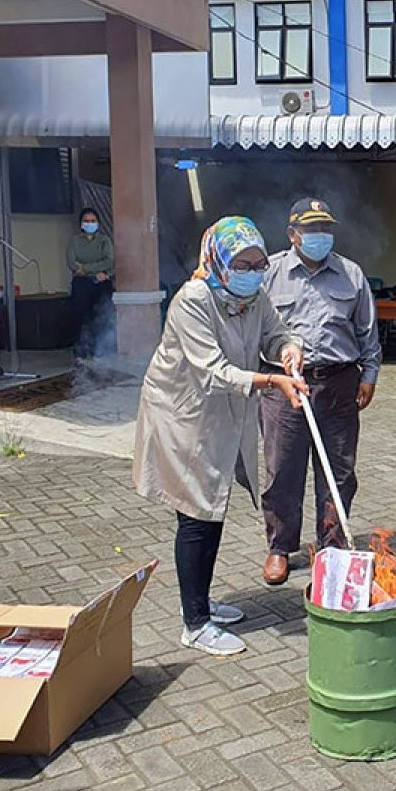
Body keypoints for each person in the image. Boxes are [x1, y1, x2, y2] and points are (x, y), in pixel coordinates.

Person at [133, 216, 307, 656]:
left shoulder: (253, 297)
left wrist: (289, 350)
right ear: (218, 260)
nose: (252, 272)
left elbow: (275, 334)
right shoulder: (194, 299)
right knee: (196, 511)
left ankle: (203, 601)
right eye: (243, 263)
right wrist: (272, 383)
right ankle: (194, 622)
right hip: (182, 418)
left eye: (258, 263)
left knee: (211, 507)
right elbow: (212, 371)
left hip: (221, 414)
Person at [259, 199, 383, 584]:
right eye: (311, 231)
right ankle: (280, 548)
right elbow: (255, 329)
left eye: (324, 230)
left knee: (339, 471)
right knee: (282, 469)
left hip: (338, 382)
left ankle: (331, 546)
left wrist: (370, 374)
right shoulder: (270, 273)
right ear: (292, 234)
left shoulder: (350, 274)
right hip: (285, 385)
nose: (319, 238)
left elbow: (367, 329)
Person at [67, 208, 115, 359]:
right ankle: (81, 350)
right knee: (81, 316)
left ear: (98, 223)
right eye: (86, 221)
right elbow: (71, 263)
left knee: (100, 316)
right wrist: (96, 269)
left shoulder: (104, 241)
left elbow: (109, 261)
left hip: (101, 282)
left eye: (93, 221)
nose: (90, 224)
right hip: (82, 284)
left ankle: (100, 350)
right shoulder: (74, 241)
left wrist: (86, 268)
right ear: (81, 224)